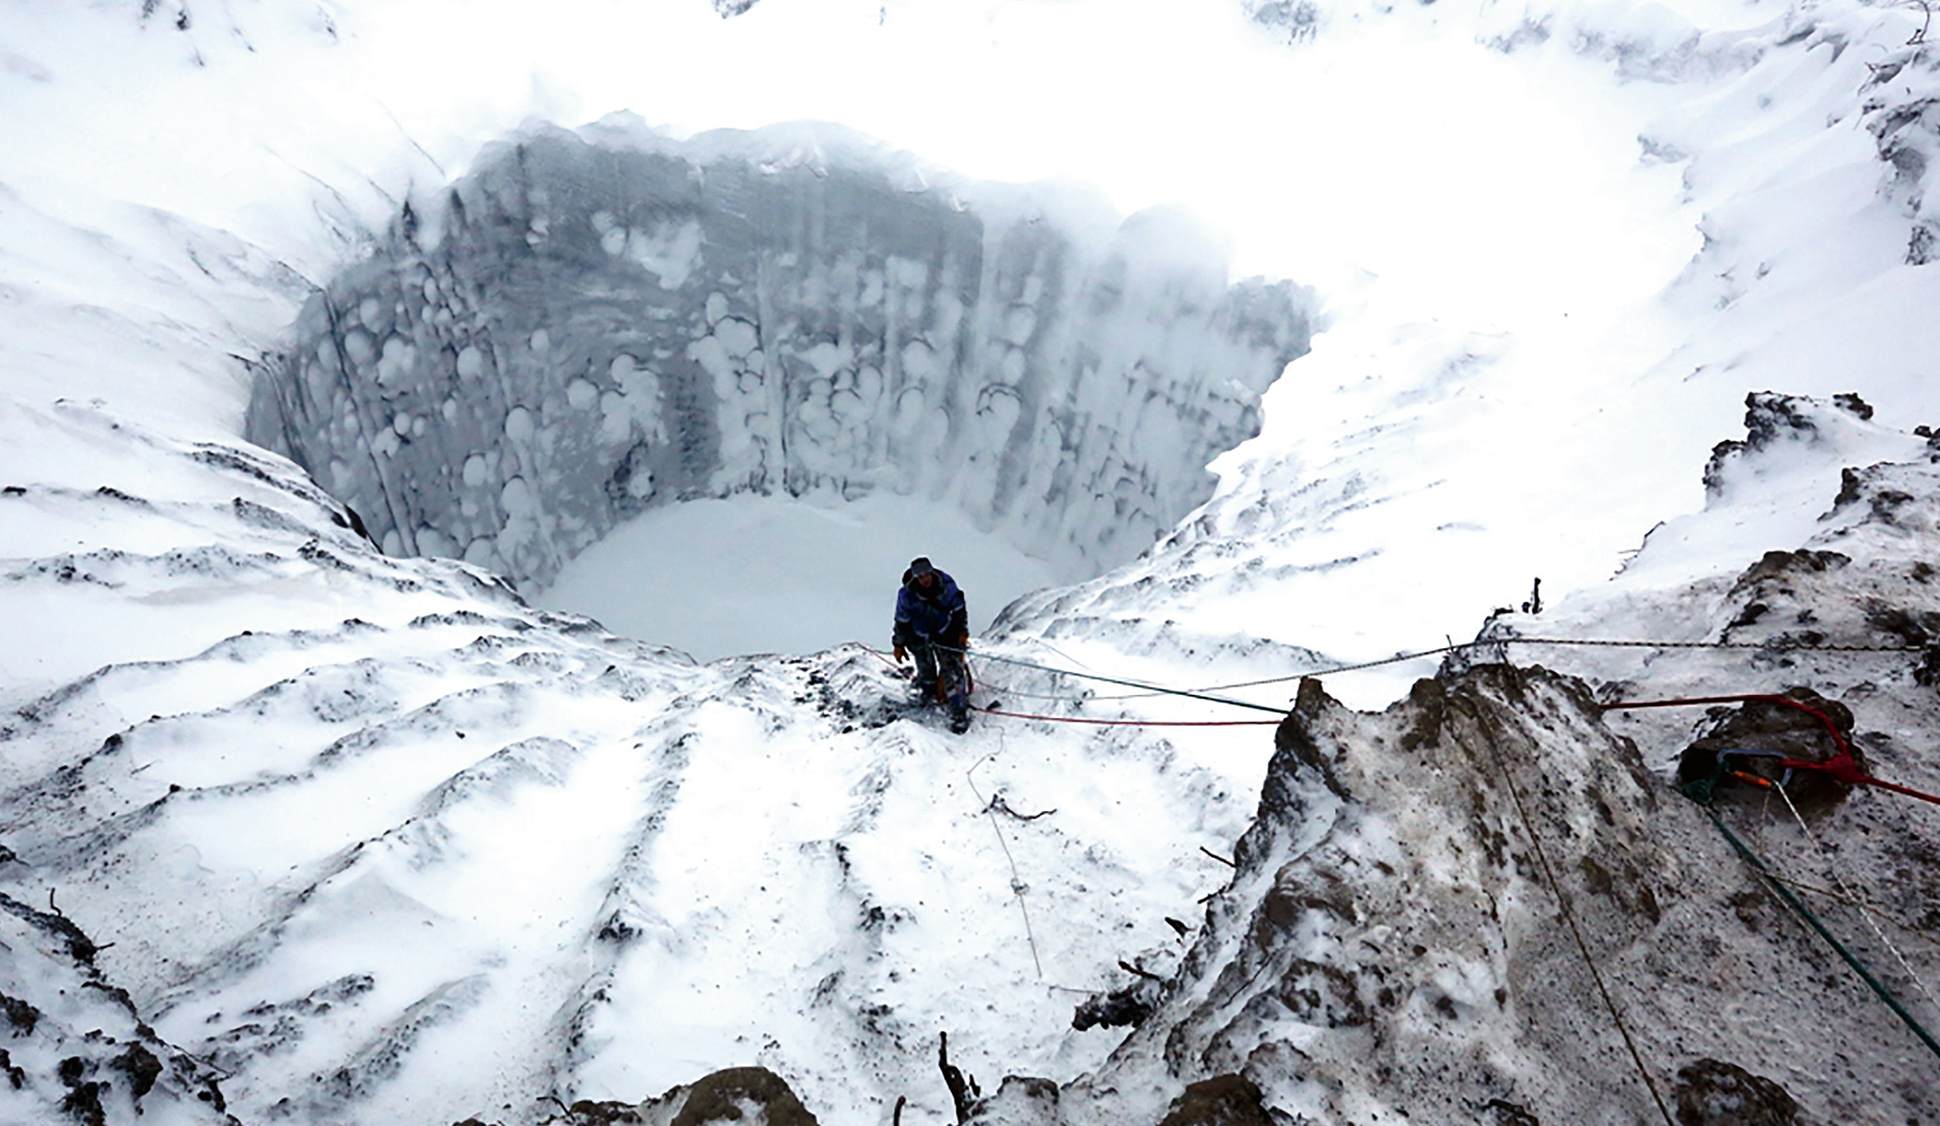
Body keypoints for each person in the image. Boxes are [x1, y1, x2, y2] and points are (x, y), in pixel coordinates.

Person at [893, 556, 972, 733]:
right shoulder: (906, 595)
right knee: (926, 670)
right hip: (919, 635)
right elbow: (901, 621)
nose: (925, 579)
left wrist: (962, 632)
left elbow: (959, 610)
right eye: (920, 577)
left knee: (952, 670)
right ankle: (929, 694)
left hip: (945, 632)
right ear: (915, 578)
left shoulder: (947, 585)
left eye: (927, 575)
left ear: (931, 572)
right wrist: (899, 644)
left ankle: (959, 712)